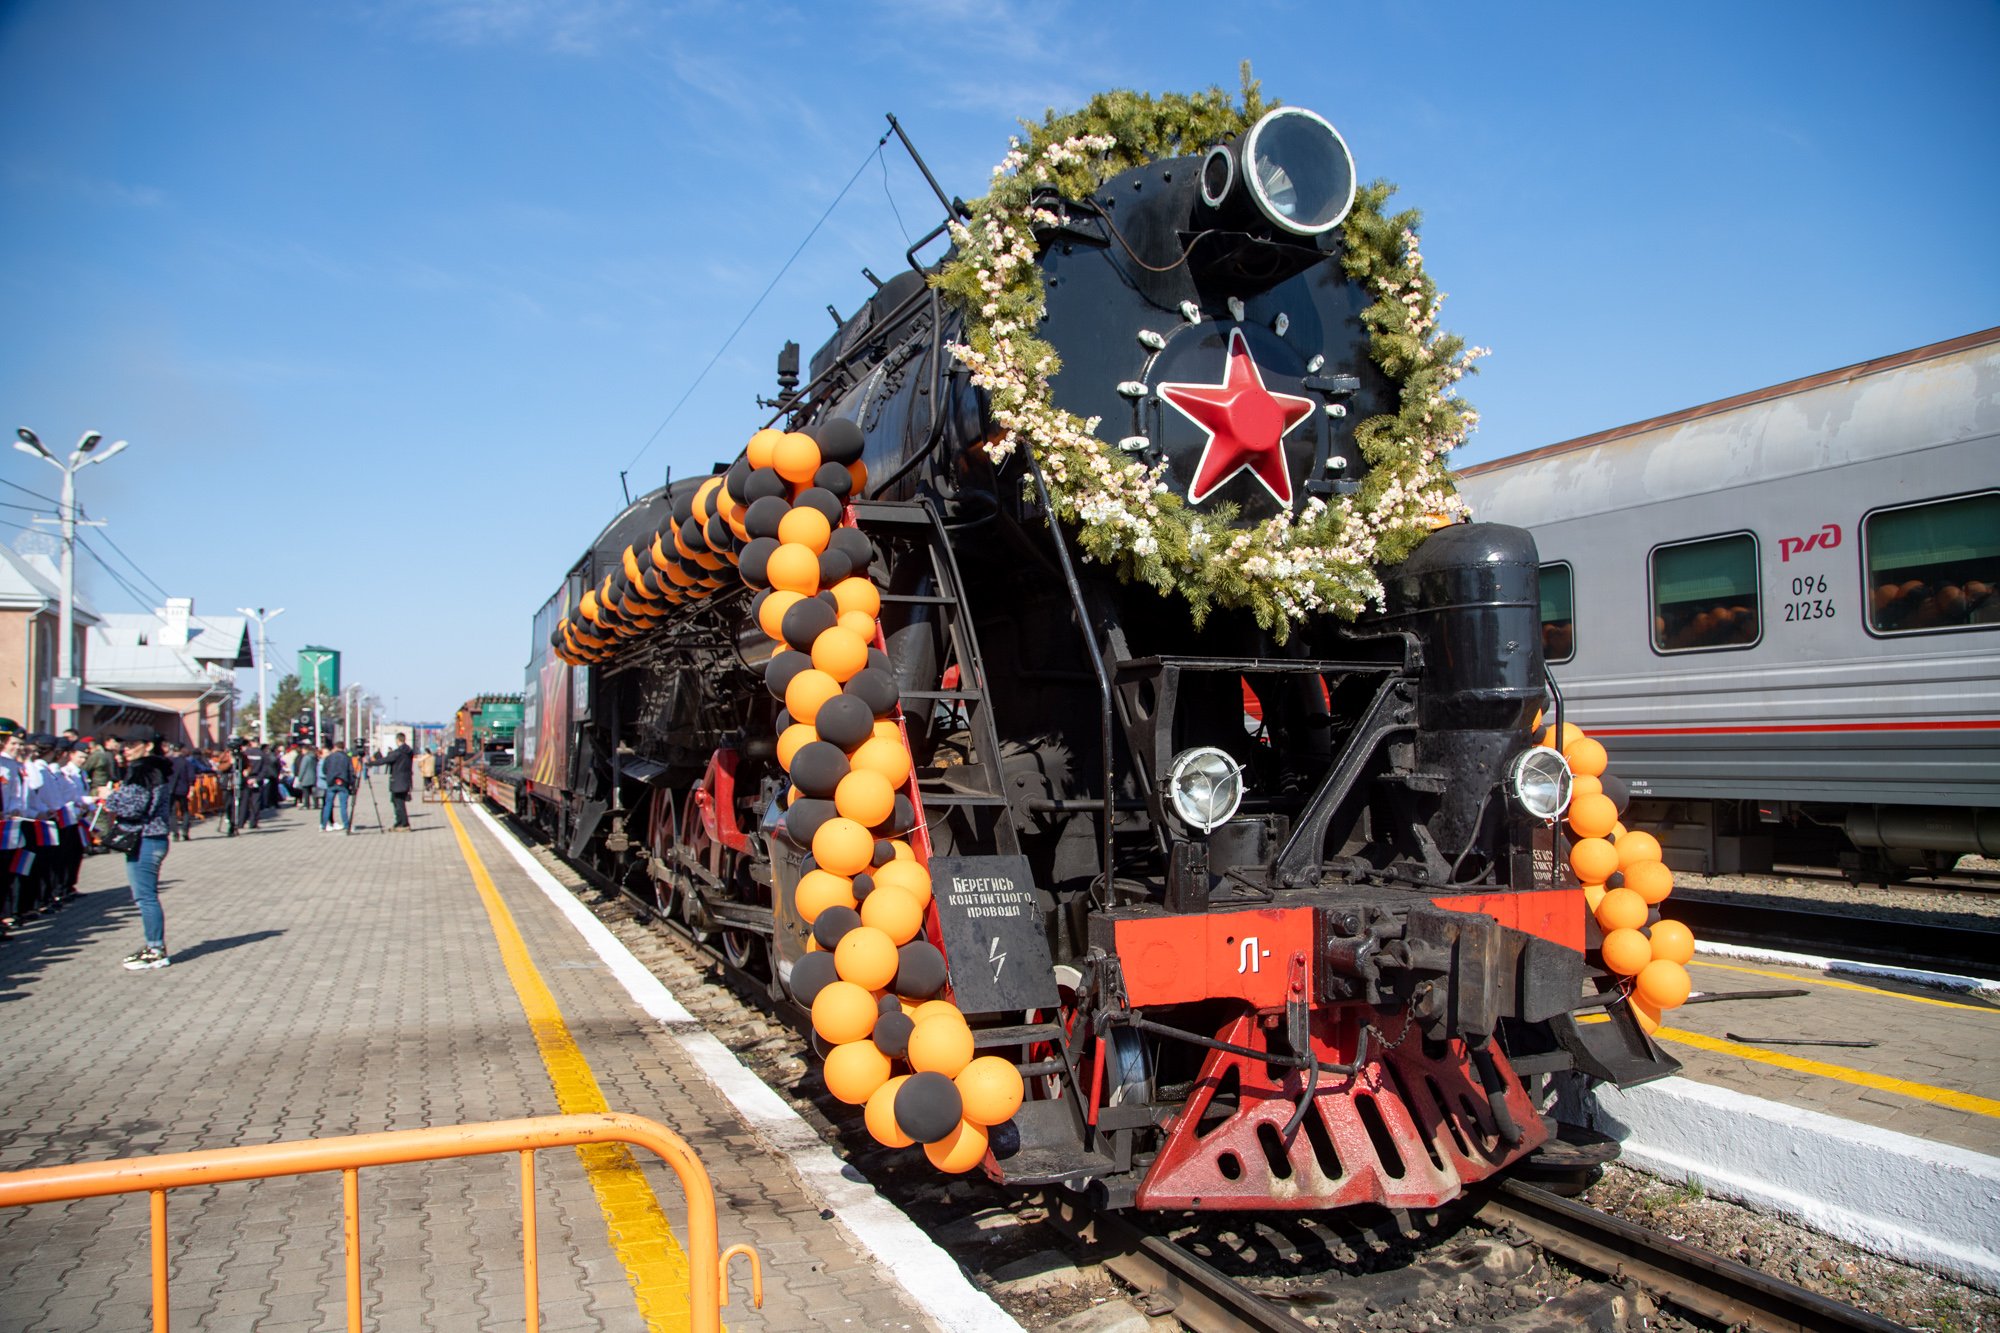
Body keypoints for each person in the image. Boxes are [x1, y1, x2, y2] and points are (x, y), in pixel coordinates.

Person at [106, 730, 175, 970]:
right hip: (152, 837)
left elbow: (134, 807)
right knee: (145, 895)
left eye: (132, 744)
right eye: (124, 745)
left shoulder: (143, 770)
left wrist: (109, 798)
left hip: (146, 838)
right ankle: (154, 947)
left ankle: (156, 949)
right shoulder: (156, 769)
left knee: (145, 896)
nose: (125, 749)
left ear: (147, 746)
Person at [373, 732, 414, 830]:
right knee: (399, 802)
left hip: (397, 781)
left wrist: (370, 763)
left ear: (397, 740)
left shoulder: (398, 753)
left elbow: (385, 760)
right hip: (406, 780)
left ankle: (403, 823)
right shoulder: (409, 751)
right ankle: (399, 822)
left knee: (398, 803)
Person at [320, 742, 355, 832]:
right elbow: (351, 771)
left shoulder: (329, 757)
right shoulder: (347, 758)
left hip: (331, 783)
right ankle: (346, 824)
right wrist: (352, 784)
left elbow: (324, 770)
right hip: (343, 782)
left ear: (335, 747)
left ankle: (324, 825)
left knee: (328, 804)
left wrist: (329, 776)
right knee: (343, 805)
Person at [294, 744, 319, 811]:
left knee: (306, 791)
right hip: (313, 775)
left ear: (306, 750)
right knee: (313, 791)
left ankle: (306, 805)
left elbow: (303, 768)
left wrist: (300, 777)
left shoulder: (306, 757)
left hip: (306, 777)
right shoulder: (314, 756)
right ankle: (316, 804)